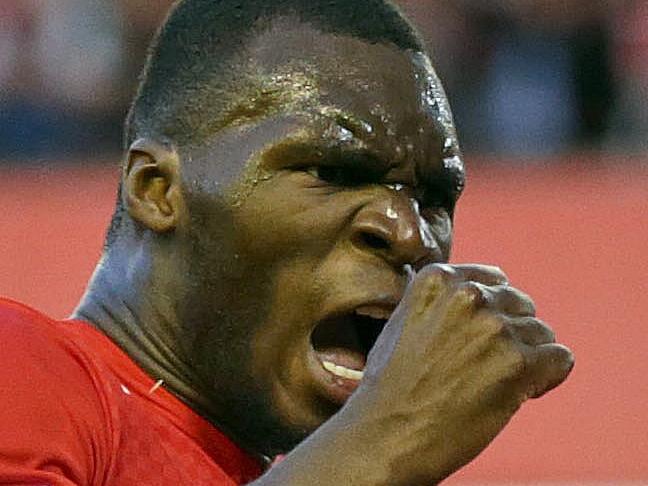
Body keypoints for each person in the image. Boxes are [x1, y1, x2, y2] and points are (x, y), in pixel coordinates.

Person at [0, 0, 574, 484]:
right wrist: (386, 438)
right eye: (333, 173)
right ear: (158, 191)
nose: (410, 234)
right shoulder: (27, 365)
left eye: (433, 200)